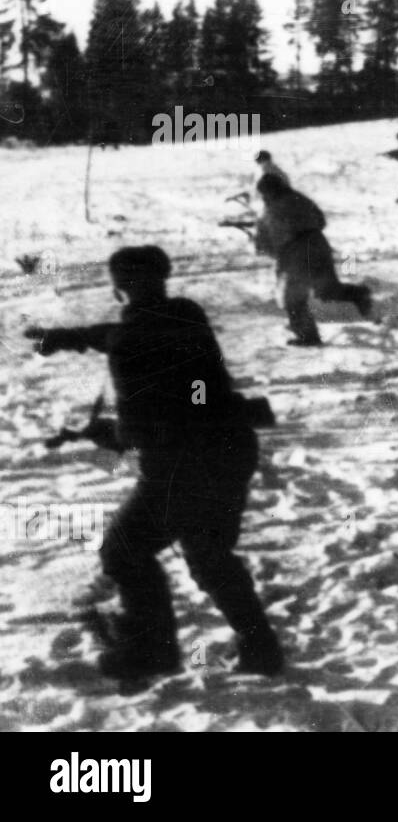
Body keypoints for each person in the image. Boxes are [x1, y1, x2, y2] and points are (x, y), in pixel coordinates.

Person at [23, 246, 284, 682]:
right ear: (163, 276)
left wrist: (105, 433)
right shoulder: (186, 314)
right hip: (229, 448)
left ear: (117, 287)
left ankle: (151, 652)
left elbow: (141, 427)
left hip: (184, 463)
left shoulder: (130, 343)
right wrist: (71, 337)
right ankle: (262, 650)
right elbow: (131, 336)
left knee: (124, 549)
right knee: (209, 554)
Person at [254, 174, 373, 346]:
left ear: (267, 192)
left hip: (296, 253)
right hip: (318, 244)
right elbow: (321, 220)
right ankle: (359, 294)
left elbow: (264, 245)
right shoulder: (299, 198)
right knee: (327, 289)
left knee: (293, 299)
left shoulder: (269, 211)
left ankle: (308, 337)